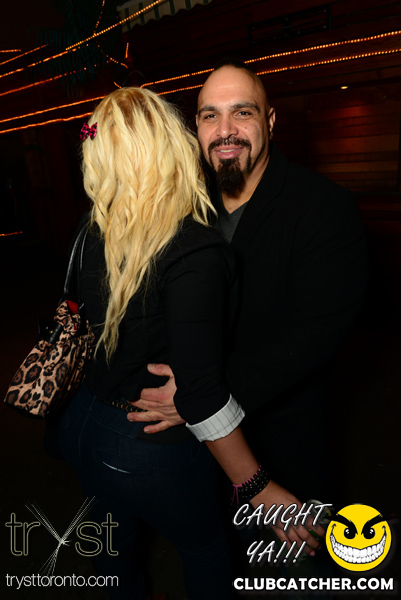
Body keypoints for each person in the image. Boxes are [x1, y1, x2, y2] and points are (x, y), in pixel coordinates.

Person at [58, 87, 323, 600]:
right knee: (204, 552)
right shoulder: (192, 248)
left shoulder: (93, 228)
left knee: (113, 549)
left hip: (83, 423)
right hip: (147, 445)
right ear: (171, 146)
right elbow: (200, 393)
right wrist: (258, 487)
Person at [127, 60, 369, 506]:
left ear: (270, 122)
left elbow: (312, 335)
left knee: (287, 548)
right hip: (193, 448)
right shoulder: (183, 204)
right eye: (210, 115)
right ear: (197, 127)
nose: (225, 131)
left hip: (278, 437)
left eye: (242, 112)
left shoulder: (324, 206)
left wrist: (200, 393)